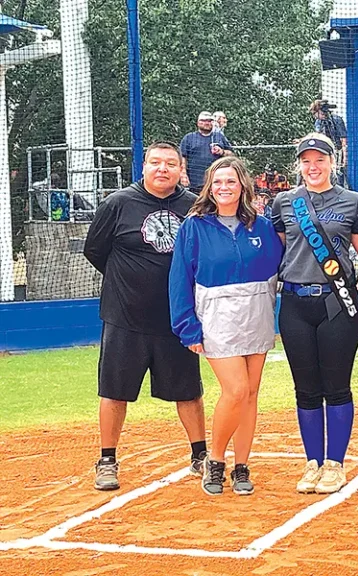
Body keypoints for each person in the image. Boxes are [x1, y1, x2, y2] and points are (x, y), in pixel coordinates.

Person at [83, 142, 206, 491]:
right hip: (125, 317)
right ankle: (107, 459)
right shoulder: (118, 204)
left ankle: (200, 455)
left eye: (170, 163)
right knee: (114, 391)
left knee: (188, 391)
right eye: (155, 162)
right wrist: (131, 280)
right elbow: (96, 250)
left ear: (181, 169)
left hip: (176, 319)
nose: (162, 169)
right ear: (144, 167)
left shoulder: (193, 206)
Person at [169, 157, 283, 496]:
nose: (224, 188)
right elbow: (180, 280)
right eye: (217, 182)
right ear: (209, 187)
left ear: (242, 186)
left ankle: (242, 465)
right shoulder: (194, 226)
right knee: (234, 390)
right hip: (216, 318)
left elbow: (280, 267)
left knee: (249, 395)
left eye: (230, 182)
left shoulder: (261, 226)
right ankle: (215, 460)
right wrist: (187, 326)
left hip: (257, 315)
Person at [271, 133, 358, 494]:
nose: (313, 166)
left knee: (336, 385)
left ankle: (335, 463)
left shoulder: (353, 201)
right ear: (299, 164)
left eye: (320, 160)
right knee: (305, 389)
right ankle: (312, 461)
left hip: (338, 302)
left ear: (333, 162)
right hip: (296, 303)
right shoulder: (284, 202)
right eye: (306, 161)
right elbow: (277, 253)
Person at [180, 111, 234, 194]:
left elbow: (232, 155)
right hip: (195, 183)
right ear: (198, 123)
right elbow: (183, 157)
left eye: (209, 121)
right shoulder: (189, 137)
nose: (207, 123)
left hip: (216, 182)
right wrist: (183, 175)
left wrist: (222, 151)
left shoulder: (219, 136)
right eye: (204, 121)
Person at [309, 99, 348, 187]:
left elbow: (343, 139)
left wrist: (344, 157)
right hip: (325, 152)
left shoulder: (336, 120)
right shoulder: (318, 122)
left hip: (338, 151)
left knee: (338, 175)